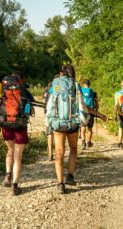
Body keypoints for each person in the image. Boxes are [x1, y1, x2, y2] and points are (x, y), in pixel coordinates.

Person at [45, 64, 83, 194]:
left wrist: (49, 121)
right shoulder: (76, 85)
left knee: (59, 153)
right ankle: (70, 176)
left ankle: (60, 183)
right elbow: (81, 105)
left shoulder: (54, 84)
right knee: (73, 148)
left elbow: (50, 103)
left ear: (62, 73)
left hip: (58, 124)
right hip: (72, 123)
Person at [0, 72, 34, 195]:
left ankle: (7, 176)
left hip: (6, 124)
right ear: (21, 81)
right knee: (18, 156)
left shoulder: (3, 89)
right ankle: (15, 186)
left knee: (10, 151)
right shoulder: (23, 90)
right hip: (19, 126)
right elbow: (31, 102)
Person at [43, 73, 61, 161]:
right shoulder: (59, 88)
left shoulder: (48, 88)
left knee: (50, 134)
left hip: (48, 114)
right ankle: (57, 153)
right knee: (57, 134)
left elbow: (44, 100)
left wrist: (45, 112)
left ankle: (50, 154)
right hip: (57, 114)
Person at [80, 79, 99, 149]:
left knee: (82, 127)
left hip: (82, 111)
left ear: (83, 84)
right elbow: (97, 103)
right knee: (90, 128)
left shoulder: (80, 91)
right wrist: (96, 111)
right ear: (89, 85)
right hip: (91, 111)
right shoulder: (93, 92)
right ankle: (88, 142)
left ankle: (83, 142)